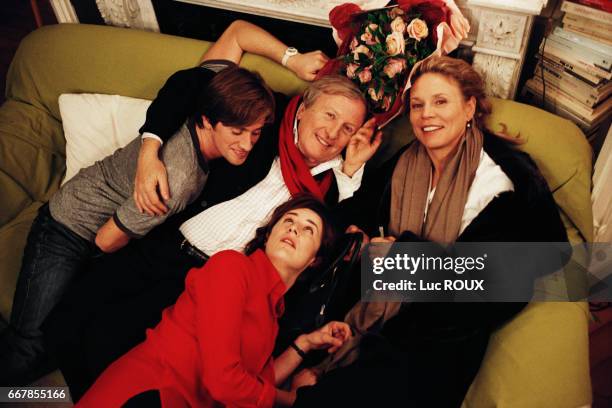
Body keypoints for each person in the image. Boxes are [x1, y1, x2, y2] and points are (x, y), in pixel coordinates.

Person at [44, 20, 381, 400]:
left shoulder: (337, 186)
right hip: (166, 244)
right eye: (329, 115)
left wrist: (351, 174)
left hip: (213, 283)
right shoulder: (264, 121)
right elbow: (191, 83)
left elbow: (332, 244)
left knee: (111, 346)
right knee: (64, 325)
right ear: (303, 109)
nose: (334, 132)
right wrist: (149, 149)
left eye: (348, 127)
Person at [291, 56, 570, 407]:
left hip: (436, 338)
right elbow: (354, 225)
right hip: (368, 312)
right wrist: (351, 168)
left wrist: (405, 259)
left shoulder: (506, 177)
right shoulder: (410, 160)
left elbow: (529, 270)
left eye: (441, 102)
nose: (426, 115)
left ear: (470, 108)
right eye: (418, 105)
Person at [0, 64, 277, 385]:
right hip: (66, 228)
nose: (247, 144)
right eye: (237, 131)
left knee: (64, 334)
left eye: (255, 132)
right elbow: (106, 241)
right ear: (207, 120)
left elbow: (220, 60)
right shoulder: (179, 178)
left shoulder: (190, 112)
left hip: (91, 218)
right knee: (29, 343)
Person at [76, 194, 351, 408]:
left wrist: (306, 343)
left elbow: (254, 385)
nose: (293, 229)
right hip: (151, 394)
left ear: (315, 260)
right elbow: (225, 382)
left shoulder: (272, 312)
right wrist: (293, 401)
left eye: (308, 229)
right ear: (268, 235)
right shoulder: (232, 268)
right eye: (288, 221)